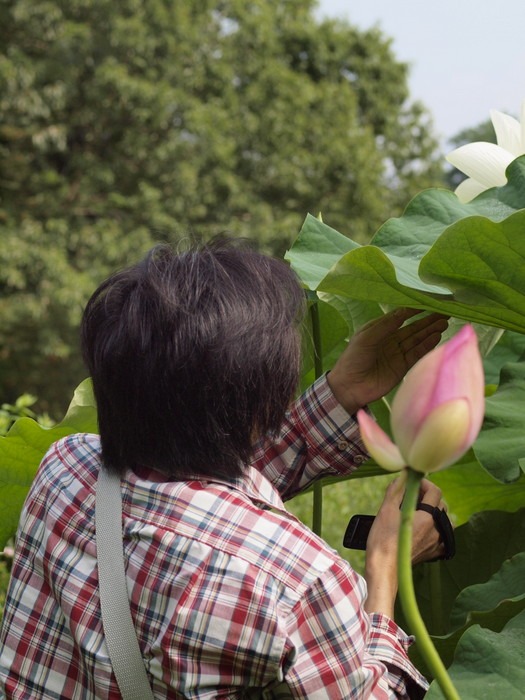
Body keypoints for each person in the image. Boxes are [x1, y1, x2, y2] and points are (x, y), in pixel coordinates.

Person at [0, 239, 449, 699]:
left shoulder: (64, 469)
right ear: (263, 399)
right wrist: (385, 569)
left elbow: (197, 501)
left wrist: (340, 393)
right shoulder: (295, 581)